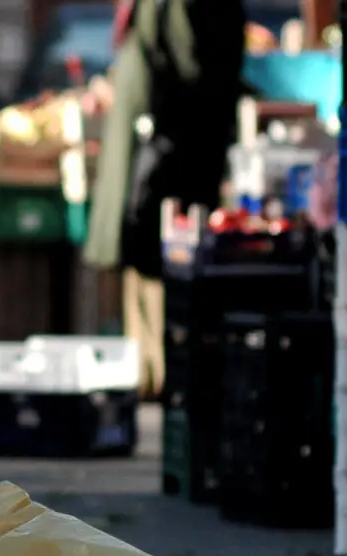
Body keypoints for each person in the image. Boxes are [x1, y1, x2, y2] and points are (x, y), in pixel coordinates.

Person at [83, 0, 246, 394]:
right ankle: (157, 373)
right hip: (172, 146)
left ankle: (147, 374)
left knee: (144, 256)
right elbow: (190, 63)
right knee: (160, 258)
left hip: (155, 143)